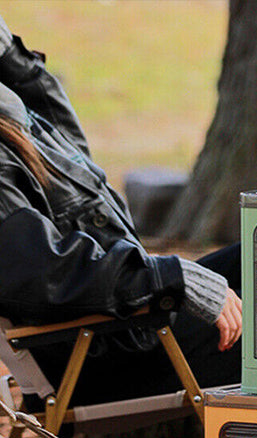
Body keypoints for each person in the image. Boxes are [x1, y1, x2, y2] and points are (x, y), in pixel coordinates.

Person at [0, 18, 242, 407]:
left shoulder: (14, 116)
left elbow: (78, 159)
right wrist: (171, 276)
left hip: (126, 326)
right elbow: (45, 275)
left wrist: (11, 53)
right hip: (107, 354)